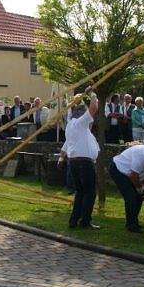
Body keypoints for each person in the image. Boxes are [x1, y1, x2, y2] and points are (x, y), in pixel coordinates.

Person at [57, 91, 100, 229]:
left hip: (75, 163)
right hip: (84, 163)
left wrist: (61, 157)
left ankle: (74, 220)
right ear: (82, 114)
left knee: (80, 192)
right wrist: (93, 94)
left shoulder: (72, 126)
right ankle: (85, 222)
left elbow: (66, 145)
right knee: (89, 193)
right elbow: (94, 108)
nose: (91, 123)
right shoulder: (80, 124)